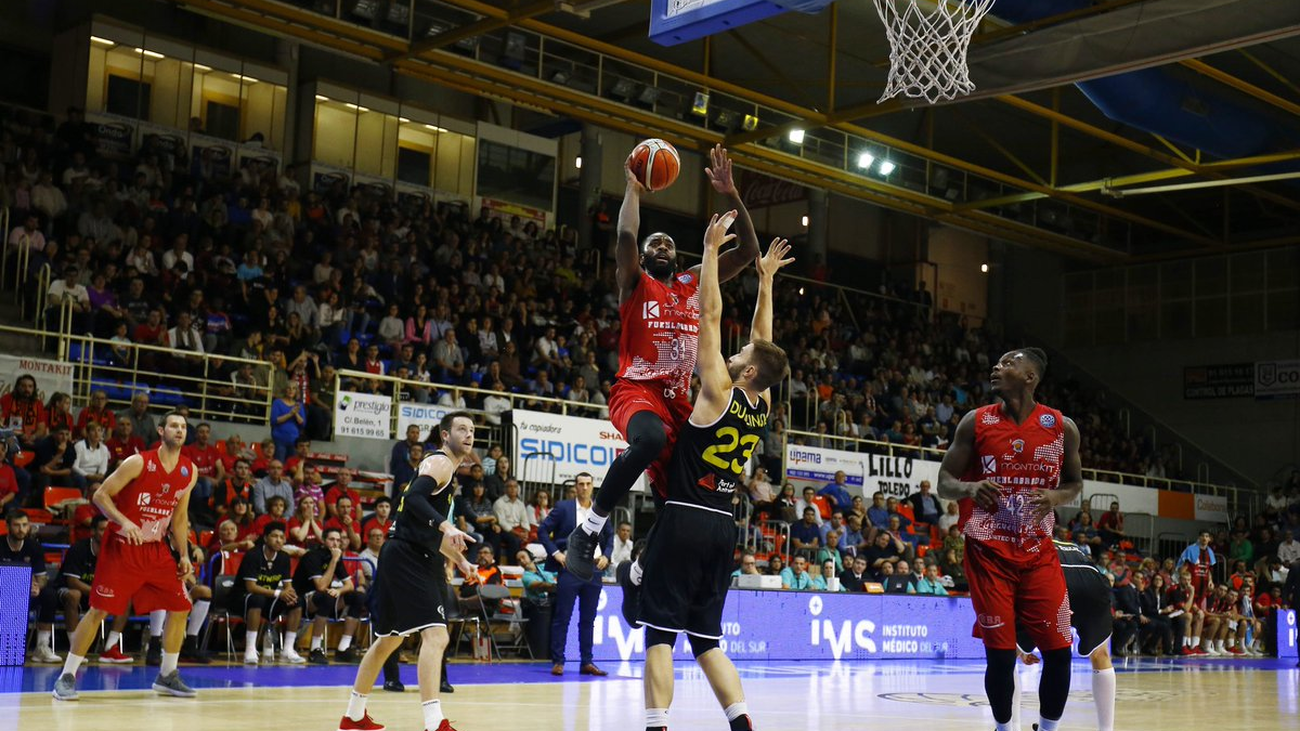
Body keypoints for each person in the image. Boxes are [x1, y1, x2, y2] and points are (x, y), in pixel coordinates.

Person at [619, 215, 791, 731]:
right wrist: (765, 281)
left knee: (658, 635)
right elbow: (764, 342)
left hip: (685, 516)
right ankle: (742, 724)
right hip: (724, 527)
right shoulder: (760, 403)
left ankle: (656, 725)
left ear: (747, 371)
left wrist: (711, 252)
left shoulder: (718, 391)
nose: (734, 353)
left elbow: (710, 315)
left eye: (740, 356)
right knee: (708, 641)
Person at [565, 145, 760, 583]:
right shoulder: (635, 283)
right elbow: (625, 239)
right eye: (654, 243)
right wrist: (633, 190)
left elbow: (748, 250)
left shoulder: (693, 282)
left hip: (678, 402)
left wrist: (731, 193)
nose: (660, 247)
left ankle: (637, 569)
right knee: (649, 438)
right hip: (635, 390)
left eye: (668, 244)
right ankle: (588, 531)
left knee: (691, 497)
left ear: (678, 256)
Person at [937, 348, 1083, 731]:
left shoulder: (1060, 426)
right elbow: (945, 482)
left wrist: (1054, 497)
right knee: (1000, 657)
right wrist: (970, 488)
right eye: (997, 362)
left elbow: (1075, 483)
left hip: (1038, 552)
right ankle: (1004, 728)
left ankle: (1047, 729)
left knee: (1060, 652)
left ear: (1030, 377)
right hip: (988, 552)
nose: (996, 367)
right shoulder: (976, 422)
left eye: (1007, 363)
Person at [338, 412, 478, 731]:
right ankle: (433, 722)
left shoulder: (445, 471)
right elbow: (412, 498)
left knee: (388, 640)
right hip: (410, 557)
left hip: (401, 551)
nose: (468, 435)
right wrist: (445, 523)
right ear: (445, 435)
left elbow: (422, 528)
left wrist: (460, 560)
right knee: (436, 635)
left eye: (472, 430)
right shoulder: (440, 463)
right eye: (461, 429)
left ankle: (353, 715)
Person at [52, 410, 200, 701]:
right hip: (122, 546)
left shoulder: (189, 470)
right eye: (173, 425)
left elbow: (179, 518)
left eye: (183, 427)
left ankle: (167, 675)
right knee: (99, 610)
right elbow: (100, 496)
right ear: (161, 431)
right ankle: (66, 676)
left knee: (182, 605)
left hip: (156, 549)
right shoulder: (138, 462)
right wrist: (124, 521)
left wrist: (183, 553)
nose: (179, 430)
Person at [1012, 539, 1116, 731]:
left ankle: (1013, 727)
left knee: (1007, 654)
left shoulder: (1027, 544)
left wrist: (1020, 649)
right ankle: (1106, 729)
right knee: (1101, 655)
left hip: (1054, 576)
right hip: (1093, 582)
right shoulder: (1073, 546)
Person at [537, 472, 613, 676]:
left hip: (594, 569)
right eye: (581, 484)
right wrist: (555, 553)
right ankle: (558, 661)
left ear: (592, 487)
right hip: (569, 567)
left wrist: (606, 555)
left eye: (588, 484)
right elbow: (542, 531)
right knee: (563, 616)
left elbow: (610, 536)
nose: (585, 487)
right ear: (576, 487)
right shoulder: (563, 508)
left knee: (588, 619)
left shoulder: (601, 510)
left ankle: (587, 661)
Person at [235, 521, 306, 664]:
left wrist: (290, 594)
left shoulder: (283, 557)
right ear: (266, 538)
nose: (278, 540)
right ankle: (250, 649)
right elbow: (250, 587)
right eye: (274, 536)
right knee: (257, 599)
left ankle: (288, 649)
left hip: (268, 597)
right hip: (241, 598)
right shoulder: (253, 555)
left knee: (297, 601)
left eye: (281, 537)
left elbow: (288, 585)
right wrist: (279, 594)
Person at [295, 526, 365, 664]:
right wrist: (333, 561)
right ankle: (315, 649)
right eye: (332, 539)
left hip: (323, 598)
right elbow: (320, 586)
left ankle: (343, 648)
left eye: (338, 540)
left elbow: (349, 585)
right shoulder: (312, 556)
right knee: (326, 596)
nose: (335, 543)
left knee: (358, 597)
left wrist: (338, 591)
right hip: (303, 600)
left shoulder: (335, 556)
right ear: (323, 540)